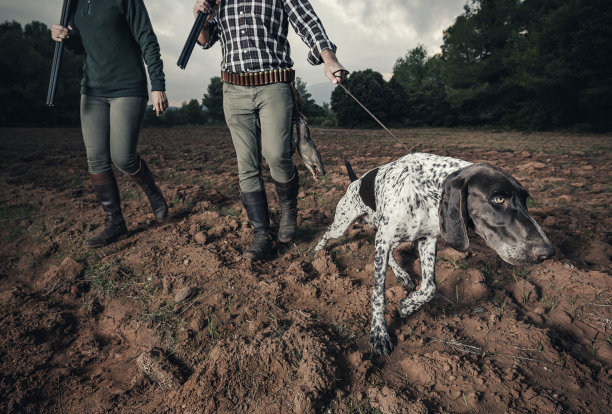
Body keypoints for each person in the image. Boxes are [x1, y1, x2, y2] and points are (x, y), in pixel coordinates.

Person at [193, 0, 347, 260]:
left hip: (273, 84)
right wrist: (200, 15)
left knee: (276, 154)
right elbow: (206, 40)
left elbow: (307, 21)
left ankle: (289, 209)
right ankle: (262, 235)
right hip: (234, 89)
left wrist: (329, 58)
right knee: (247, 165)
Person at [50, 0, 169, 248]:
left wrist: (157, 84)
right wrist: (64, 37)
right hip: (92, 89)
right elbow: (84, 45)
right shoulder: (74, 3)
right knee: (96, 159)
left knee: (123, 157)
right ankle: (115, 223)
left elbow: (147, 38)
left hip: (127, 86)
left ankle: (153, 192)